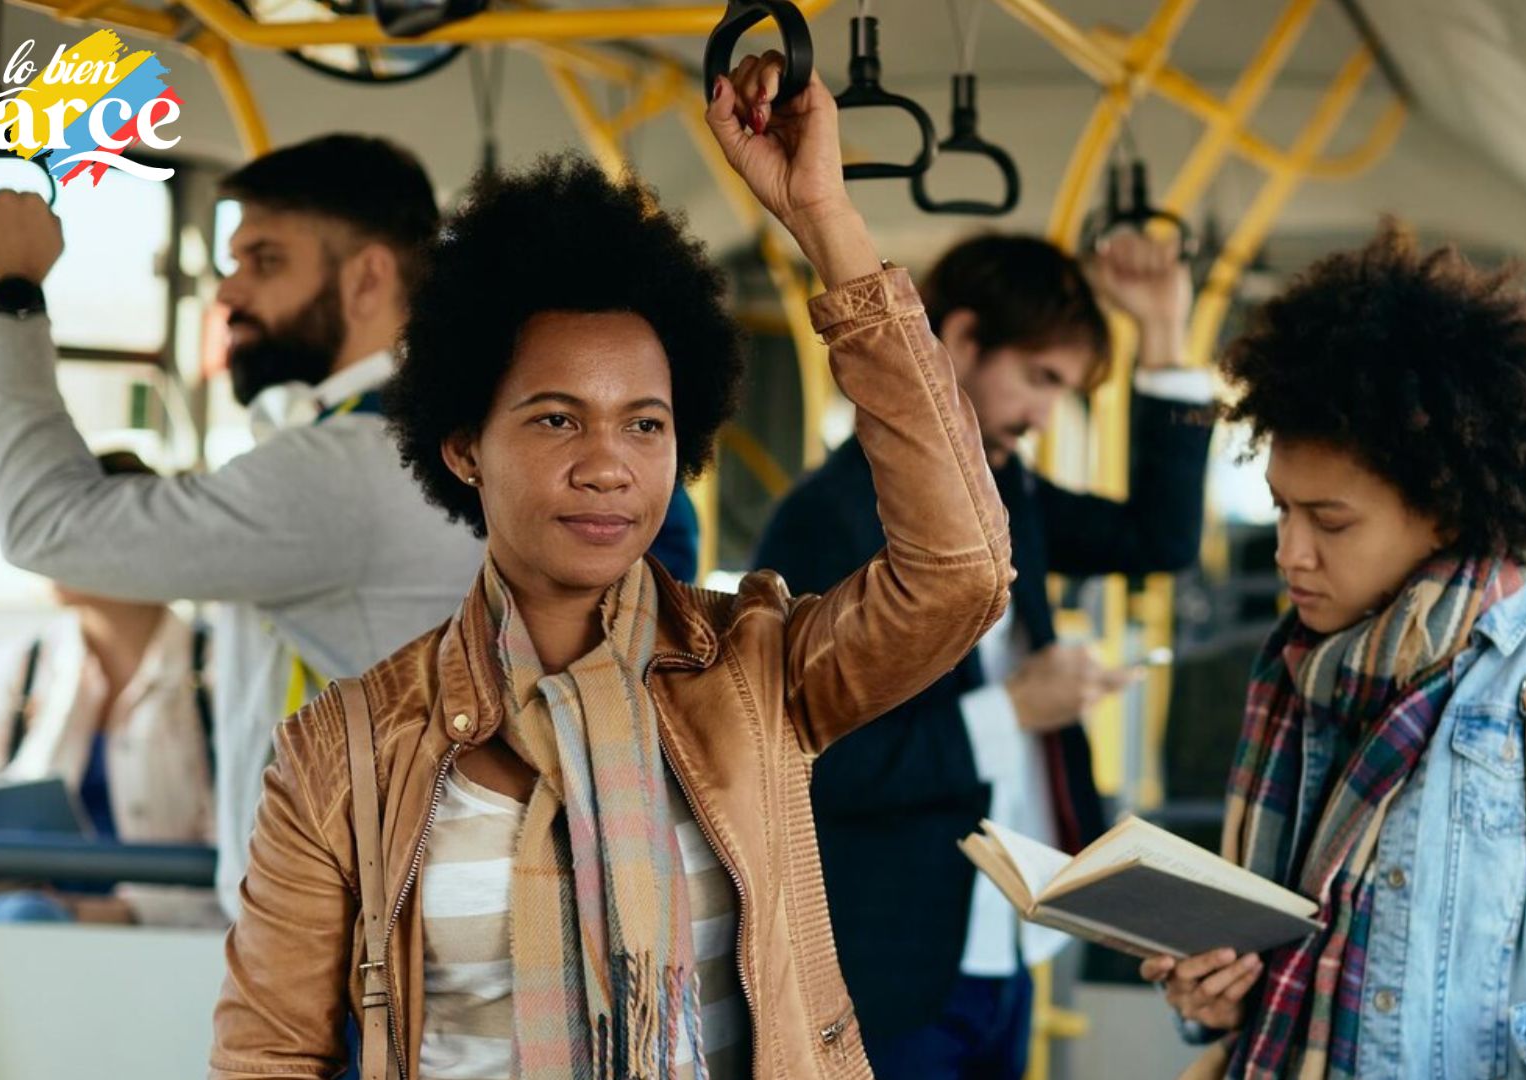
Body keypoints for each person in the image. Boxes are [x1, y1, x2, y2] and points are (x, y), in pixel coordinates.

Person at [209, 54, 1011, 1080]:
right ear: (464, 447)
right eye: (554, 419)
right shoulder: (343, 755)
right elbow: (269, 1055)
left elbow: (962, 573)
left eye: (645, 424)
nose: (607, 467)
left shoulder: (755, 676)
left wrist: (825, 222)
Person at [1144, 225, 1526, 1079]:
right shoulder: (1295, 671)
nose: (1290, 553)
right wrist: (1211, 991)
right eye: (1280, 510)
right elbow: (1272, 957)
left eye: (1331, 521)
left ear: (1445, 509)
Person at [0, 136, 486, 916]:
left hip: (349, 957)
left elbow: (48, 524)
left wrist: (9, 291)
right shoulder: (424, 442)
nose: (230, 295)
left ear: (370, 276)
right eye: (232, 263)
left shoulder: (345, 467)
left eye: (266, 262)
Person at [752, 228, 1212, 1076]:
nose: (1043, 416)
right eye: (1039, 379)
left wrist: (1165, 336)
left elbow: (1160, 536)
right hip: (886, 960)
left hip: (1009, 940)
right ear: (959, 340)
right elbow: (808, 761)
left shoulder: (1011, 493)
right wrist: (1013, 712)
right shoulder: (826, 519)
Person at [0, 450, 221, 927]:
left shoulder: (215, 678)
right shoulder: (18, 671)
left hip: (170, 950)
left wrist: (106, 914)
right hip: (33, 934)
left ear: (142, 544)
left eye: (73, 521)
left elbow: (257, 863)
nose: (49, 541)